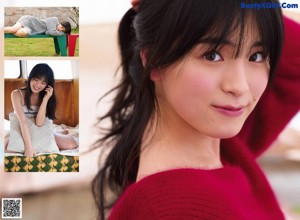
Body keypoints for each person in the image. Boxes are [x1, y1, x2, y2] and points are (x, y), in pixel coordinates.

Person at [92, 0, 300, 219]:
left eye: (256, 56)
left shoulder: (222, 148)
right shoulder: (172, 208)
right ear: (153, 60)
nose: (240, 86)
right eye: (212, 56)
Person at [9, 63, 78, 157]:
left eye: (43, 83)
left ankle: (56, 133)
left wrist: (45, 100)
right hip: (23, 127)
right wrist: (29, 147)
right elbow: (23, 122)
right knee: (9, 149)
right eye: (36, 80)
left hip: (39, 128)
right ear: (30, 78)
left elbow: (39, 123)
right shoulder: (16, 94)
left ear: (47, 85)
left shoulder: (45, 96)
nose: (38, 85)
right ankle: (57, 133)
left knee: (71, 144)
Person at [4, 15, 71, 37]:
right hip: (29, 21)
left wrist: (61, 33)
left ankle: (7, 31)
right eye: (62, 27)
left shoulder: (53, 29)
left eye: (62, 30)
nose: (60, 29)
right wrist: (63, 34)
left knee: (23, 33)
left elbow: (47, 32)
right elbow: (51, 32)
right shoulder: (54, 20)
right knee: (13, 29)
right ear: (61, 23)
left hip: (31, 30)